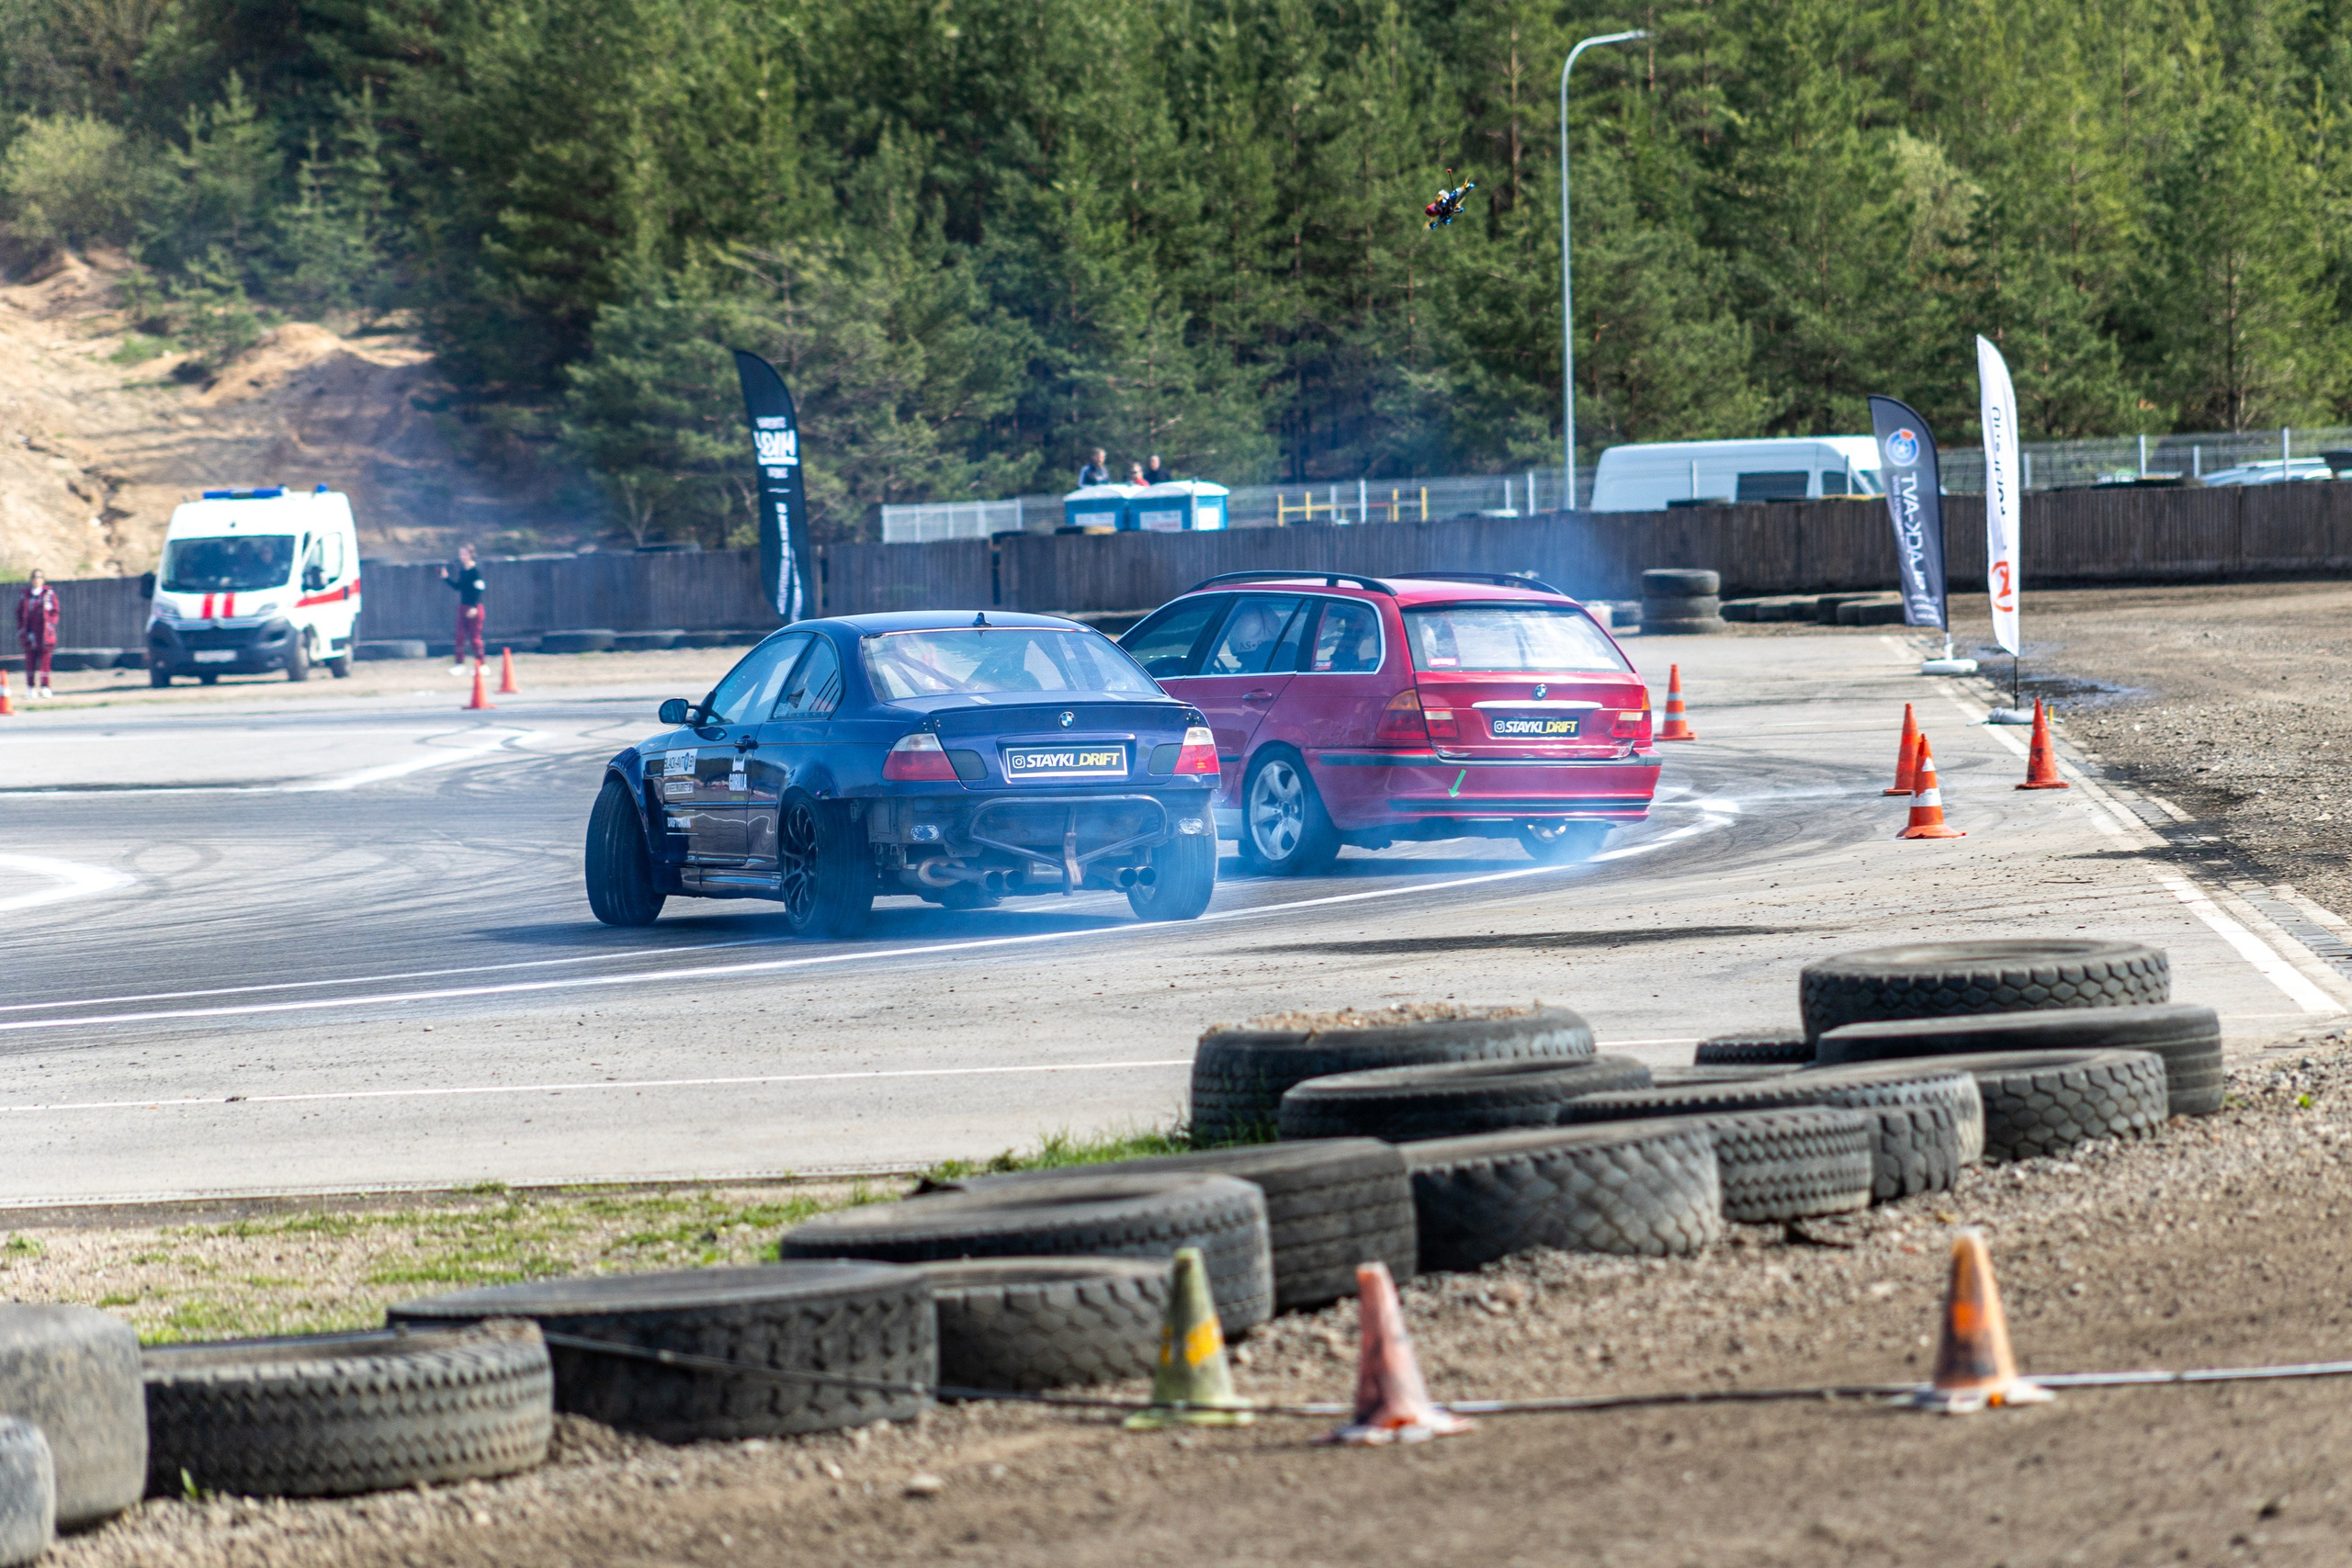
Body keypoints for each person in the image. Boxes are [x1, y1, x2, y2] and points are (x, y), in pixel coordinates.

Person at [440, 545, 487, 673]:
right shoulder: (463, 570)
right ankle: (459, 663)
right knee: (460, 636)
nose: (462, 556)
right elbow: (458, 587)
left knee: (475, 637)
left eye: (465, 554)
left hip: (475, 607)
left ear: (471, 554)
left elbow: (480, 588)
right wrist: (446, 578)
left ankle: (481, 664)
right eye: (461, 554)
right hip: (463, 606)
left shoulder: (476, 570)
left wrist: (474, 606)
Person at [15, 569, 58, 699]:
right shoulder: (26, 595)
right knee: (30, 661)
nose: (36, 579)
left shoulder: (48, 594)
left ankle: (45, 687)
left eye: (39, 577)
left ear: (43, 579)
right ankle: (30, 688)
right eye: (34, 577)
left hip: (44, 633)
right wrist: (22, 630)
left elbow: (55, 612)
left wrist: (50, 625)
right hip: (30, 633)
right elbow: (19, 613)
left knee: (45, 661)